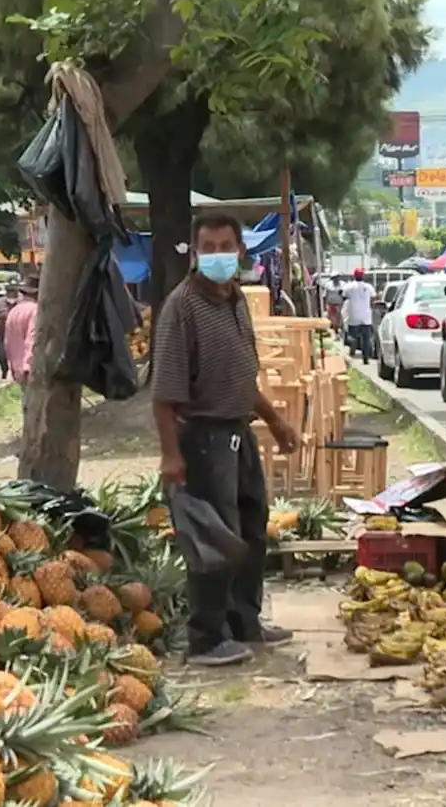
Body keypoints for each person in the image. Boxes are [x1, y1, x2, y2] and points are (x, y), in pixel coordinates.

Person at [151, 212, 300, 667]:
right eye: (208, 247)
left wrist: (274, 421)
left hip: (238, 432)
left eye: (225, 246)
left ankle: (244, 622)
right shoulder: (182, 306)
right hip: (201, 438)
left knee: (252, 529)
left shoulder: (235, 300)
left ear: (241, 251)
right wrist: (171, 455)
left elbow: (242, 376)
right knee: (214, 541)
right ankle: (206, 638)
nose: (217, 255)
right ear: (196, 254)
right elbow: (163, 392)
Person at [4, 277, 39, 402]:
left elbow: (7, 341)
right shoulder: (36, 310)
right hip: (31, 367)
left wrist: (12, 366)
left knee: (26, 403)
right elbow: (32, 338)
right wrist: (28, 365)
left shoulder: (14, 311)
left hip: (18, 367)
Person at [342, 268, 376, 361]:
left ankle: (352, 348)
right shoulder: (368, 287)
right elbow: (374, 298)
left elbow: (343, 296)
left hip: (353, 316)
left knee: (352, 335)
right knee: (366, 338)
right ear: (363, 276)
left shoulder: (349, 287)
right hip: (366, 316)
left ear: (354, 276)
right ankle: (365, 358)